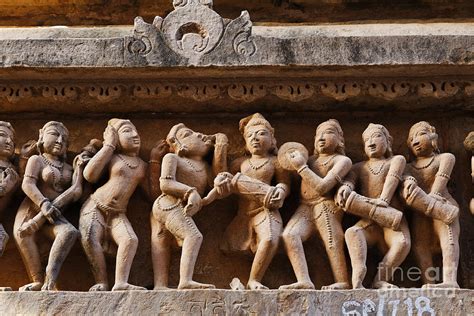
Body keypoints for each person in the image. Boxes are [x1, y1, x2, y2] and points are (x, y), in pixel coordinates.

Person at [151, 123, 228, 289]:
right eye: (188, 134)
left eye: (197, 131)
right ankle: (185, 281)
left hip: (181, 208)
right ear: (179, 145)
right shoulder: (172, 158)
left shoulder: (205, 168)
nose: (199, 134)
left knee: (164, 241)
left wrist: (219, 187)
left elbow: (206, 198)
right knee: (193, 236)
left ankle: (161, 286)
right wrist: (190, 191)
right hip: (167, 203)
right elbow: (165, 183)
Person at [218, 113, 290, 290]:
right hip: (244, 214)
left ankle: (253, 279)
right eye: (250, 136)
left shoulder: (276, 162)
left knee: (270, 239)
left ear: (273, 139)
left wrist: (281, 190)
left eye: (261, 133)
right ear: (245, 143)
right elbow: (226, 182)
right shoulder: (240, 163)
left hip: (266, 210)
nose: (255, 138)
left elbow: (285, 183)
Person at [336, 123, 410, 289]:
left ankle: (380, 280)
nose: (371, 142)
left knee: (403, 243)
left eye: (376, 136)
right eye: (366, 140)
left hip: (393, 220)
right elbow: (349, 181)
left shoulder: (396, 160)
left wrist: (383, 200)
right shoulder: (359, 167)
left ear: (388, 141)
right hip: (369, 220)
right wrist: (344, 188)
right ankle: (357, 280)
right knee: (352, 232)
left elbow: (395, 177)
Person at [279, 119, 351, 290]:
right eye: (318, 134)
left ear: (340, 139)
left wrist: (301, 168)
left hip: (326, 205)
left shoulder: (342, 161)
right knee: (289, 235)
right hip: (305, 206)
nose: (321, 138)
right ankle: (304, 280)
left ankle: (342, 280)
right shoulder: (309, 160)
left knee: (332, 241)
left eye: (328, 133)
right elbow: (290, 175)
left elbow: (322, 187)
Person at [80, 119, 148, 291]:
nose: (135, 135)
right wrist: (108, 146)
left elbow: (152, 195)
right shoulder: (113, 157)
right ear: (116, 137)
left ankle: (121, 283)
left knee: (130, 239)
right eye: (127, 131)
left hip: (118, 213)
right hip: (95, 206)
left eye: (136, 131)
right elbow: (90, 175)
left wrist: (154, 161)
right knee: (90, 237)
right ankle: (101, 282)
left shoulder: (142, 165)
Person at [14, 121, 79, 291]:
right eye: (54, 134)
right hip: (32, 210)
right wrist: (43, 203)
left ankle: (50, 281)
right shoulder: (37, 160)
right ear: (41, 137)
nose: (59, 140)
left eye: (64, 138)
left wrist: (79, 172)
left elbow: (75, 194)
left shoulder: (68, 167)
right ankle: (37, 279)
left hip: (54, 214)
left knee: (69, 232)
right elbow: (27, 184)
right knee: (23, 235)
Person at [401, 121, 460, 288]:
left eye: (420, 134)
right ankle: (429, 283)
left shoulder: (445, 158)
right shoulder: (408, 167)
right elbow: (404, 179)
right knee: (420, 246)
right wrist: (408, 180)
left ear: (433, 136)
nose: (415, 141)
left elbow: (439, 185)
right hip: (421, 212)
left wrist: (430, 198)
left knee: (448, 240)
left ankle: (450, 280)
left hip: (443, 205)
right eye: (411, 139)